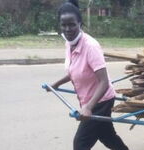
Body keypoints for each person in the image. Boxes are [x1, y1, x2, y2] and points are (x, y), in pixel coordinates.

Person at [50, 0, 129, 150]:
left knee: (80, 144)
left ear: (80, 23)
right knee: (107, 135)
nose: (67, 29)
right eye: (64, 25)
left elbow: (104, 82)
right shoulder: (69, 43)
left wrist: (88, 108)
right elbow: (76, 71)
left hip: (101, 101)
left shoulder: (90, 46)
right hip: (90, 101)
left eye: (72, 24)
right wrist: (57, 84)